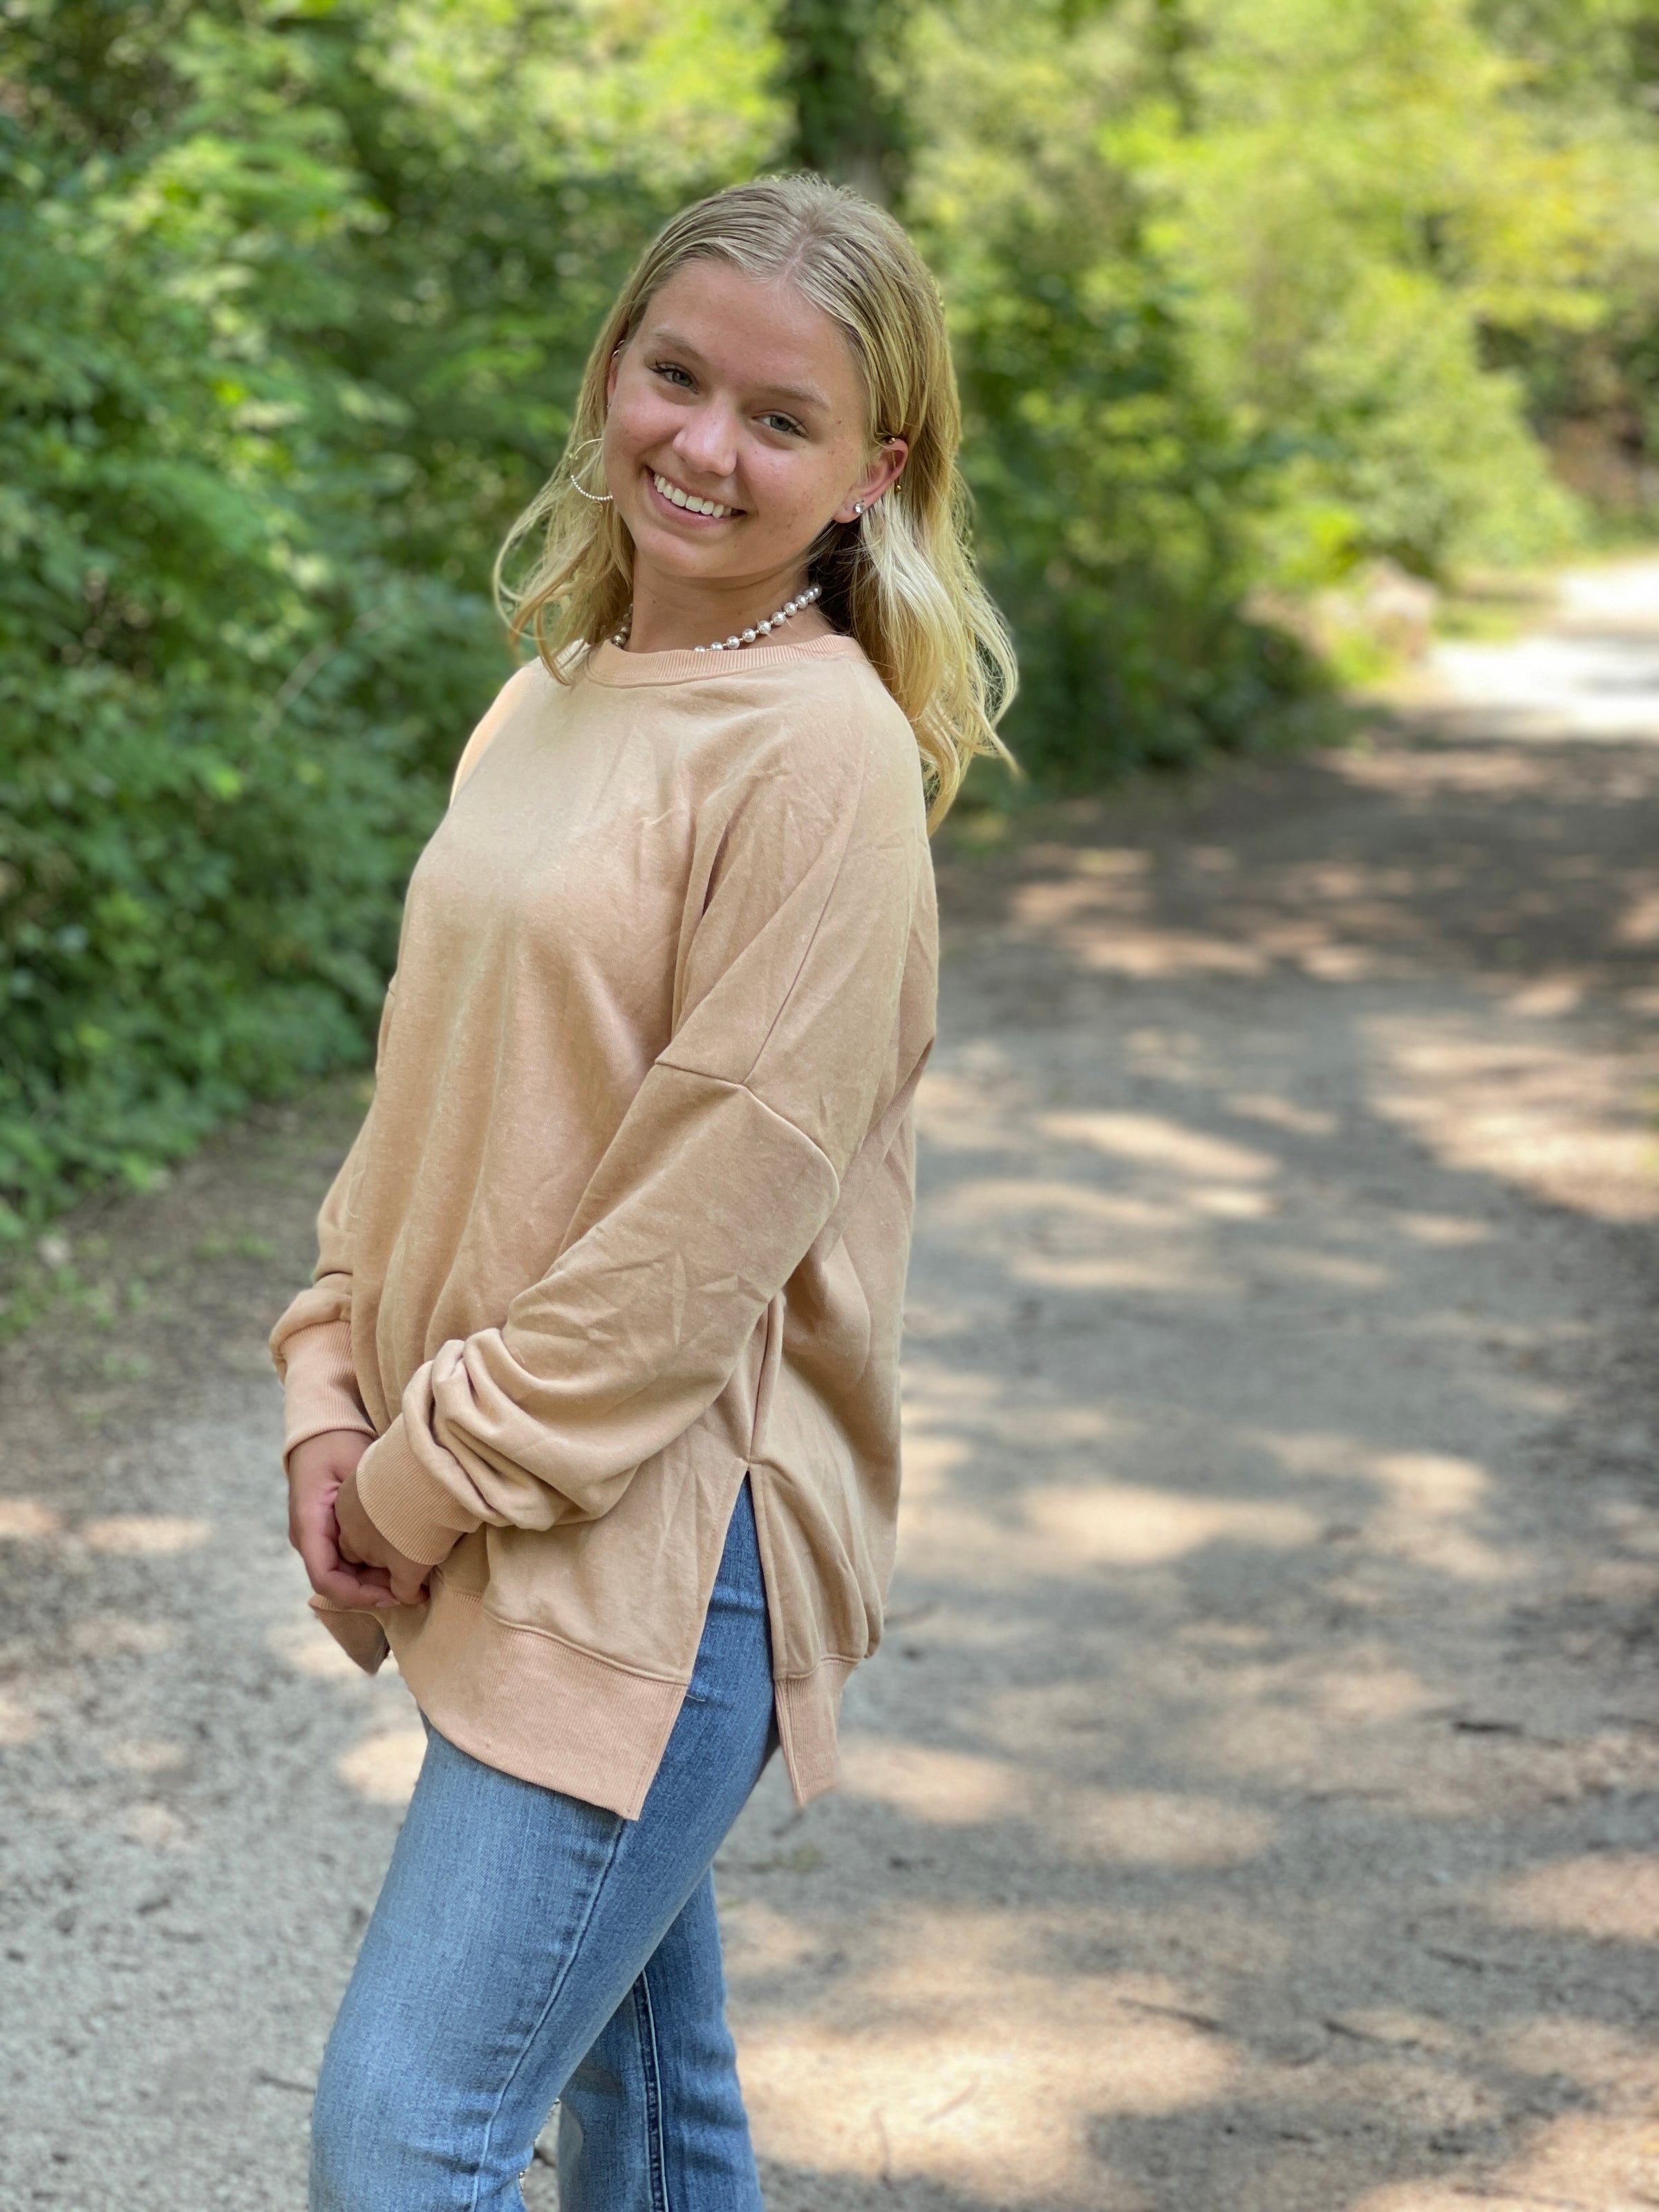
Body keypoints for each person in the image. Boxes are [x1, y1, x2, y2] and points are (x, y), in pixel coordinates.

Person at [268, 171, 1015, 2212]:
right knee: (653, 2111)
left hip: (667, 1552)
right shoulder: (555, 693)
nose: (704, 445)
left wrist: (415, 1482)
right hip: (512, 1491)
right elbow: (426, 1093)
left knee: (404, 2135)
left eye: (781, 419)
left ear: (874, 472)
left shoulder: (821, 761)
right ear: (612, 369)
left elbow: (699, 1245)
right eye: (675, 377)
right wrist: (327, 1389)